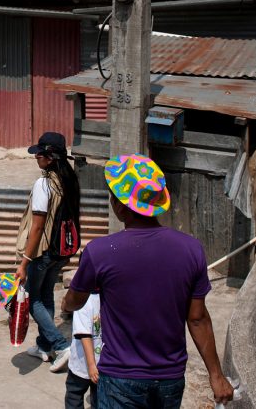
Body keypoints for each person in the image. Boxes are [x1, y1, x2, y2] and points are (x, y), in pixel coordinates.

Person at [62, 154, 234, 409]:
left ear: (120, 206)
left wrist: (68, 300)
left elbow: (74, 303)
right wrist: (216, 376)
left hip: (120, 378)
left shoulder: (100, 252)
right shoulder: (191, 250)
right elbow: (197, 318)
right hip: (170, 379)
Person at [13, 131, 81, 373]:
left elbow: (38, 225)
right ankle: (45, 345)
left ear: (51, 157)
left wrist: (24, 262)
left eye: (40, 153)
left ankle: (62, 345)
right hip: (61, 250)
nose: (36, 157)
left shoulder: (44, 184)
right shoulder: (68, 180)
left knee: (33, 300)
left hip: (42, 252)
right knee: (46, 295)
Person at [65, 292, 102, 409]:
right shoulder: (109, 296)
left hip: (83, 364)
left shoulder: (82, 299)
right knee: (98, 398)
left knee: (74, 395)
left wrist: (91, 365)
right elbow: (84, 335)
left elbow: (85, 334)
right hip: (96, 364)